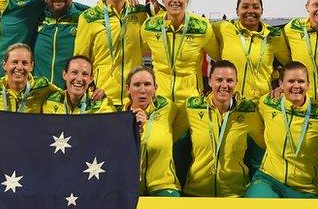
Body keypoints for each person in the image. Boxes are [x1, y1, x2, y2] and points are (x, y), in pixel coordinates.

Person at [245, 62, 318, 198]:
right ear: (281, 84)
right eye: (290, 81)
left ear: (308, 84)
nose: (296, 86)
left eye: (301, 81)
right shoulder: (268, 103)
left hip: (306, 188)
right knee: (258, 206)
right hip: (269, 180)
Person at [179, 60, 264, 197]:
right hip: (196, 193)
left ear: (236, 83)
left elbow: (267, 144)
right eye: (219, 80)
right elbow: (171, 136)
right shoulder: (192, 107)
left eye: (229, 80)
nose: (224, 85)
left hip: (235, 195)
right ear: (210, 81)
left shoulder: (248, 111)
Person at [75, 0, 149, 109]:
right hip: (103, 97)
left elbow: (149, 45)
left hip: (133, 97)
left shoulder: (139, 13)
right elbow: (80, 59)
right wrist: (90, 89)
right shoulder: (89, 17)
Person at [142, 0, 217, 104]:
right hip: (160, 99)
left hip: (192, 100)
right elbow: (133, 52)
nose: (175, 0)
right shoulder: (149, 26)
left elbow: (219, 55)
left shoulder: (202, 27)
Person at [211, 0, 289, 101]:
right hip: (229, 102)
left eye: (256, 7)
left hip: (261, 103)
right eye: (245, 7)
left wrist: (282, 87)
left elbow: (290, 65)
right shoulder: (223, 28)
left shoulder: (274, 35)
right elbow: (200, 33)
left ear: (262, 11)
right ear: (237, 11)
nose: (250, 11)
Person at [125, 65, 183, 196]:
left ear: (155, 88)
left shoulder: (168, 109)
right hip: (128, 185)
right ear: (127, 89)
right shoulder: (118, 117)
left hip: (163, 185)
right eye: (137, 85)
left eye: (147, 84)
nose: (142, 90)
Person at [0, 43, 59, 113]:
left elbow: (67, 96)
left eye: (25, 63)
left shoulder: (43, 87)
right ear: (4, 65)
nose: (19, 67)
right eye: (14, 62)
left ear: (32, 66)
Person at [34, 0, 91, 88]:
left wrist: (126, 4)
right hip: (38, 95)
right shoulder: (35, 17)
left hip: (71, 96)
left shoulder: (84, 19)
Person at [42, 55, 111, 114]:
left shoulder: (101, 105)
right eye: (74, 72)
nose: (79, 79)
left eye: (85, 74)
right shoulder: (49, 102)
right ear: (64, 74)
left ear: (91, 78)